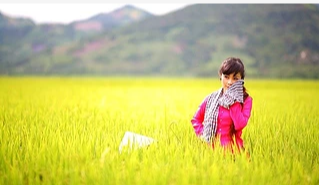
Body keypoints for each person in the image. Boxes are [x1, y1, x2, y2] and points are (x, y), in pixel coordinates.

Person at [191, 57, 253, 153]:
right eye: (226, 77)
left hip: (233, 151)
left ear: (241, 80)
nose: (230, 82)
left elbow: (240, 125)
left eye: (235, 78)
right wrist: (204, 134)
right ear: (221, 76)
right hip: (210, 151)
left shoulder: (246, 101)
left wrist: (233, 101)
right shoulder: (211, 98)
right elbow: (196, 120)